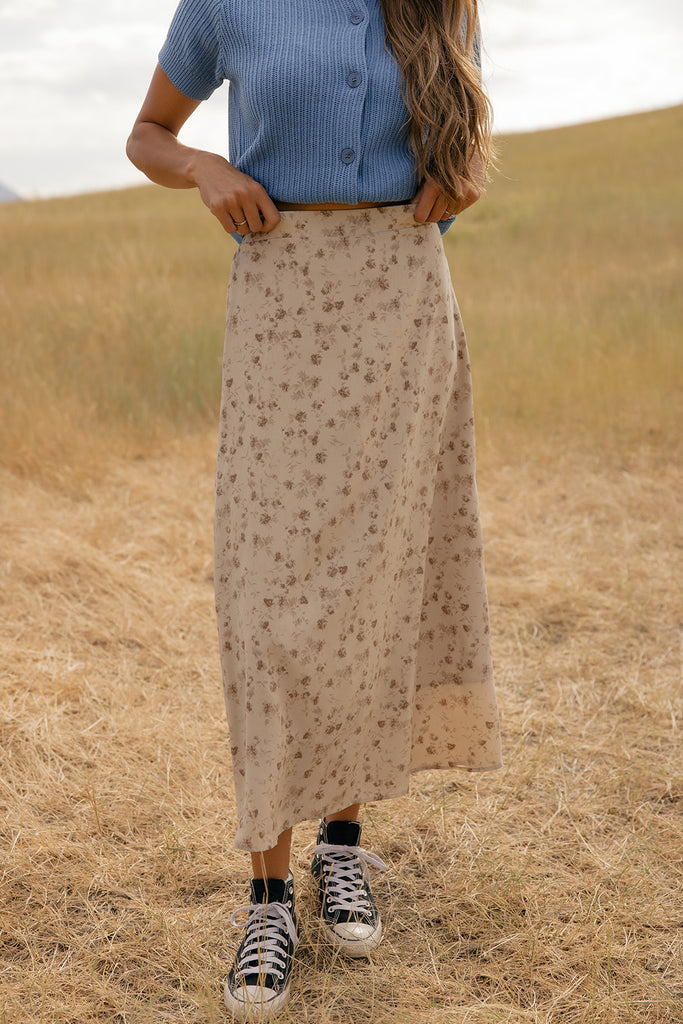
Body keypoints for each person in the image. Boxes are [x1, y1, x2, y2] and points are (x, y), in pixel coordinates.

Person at [127, 0, 502, 1018]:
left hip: (402, 308)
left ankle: (341, 844)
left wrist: (456, 180)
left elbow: (465, 150)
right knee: (267, 602)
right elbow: (146, 134)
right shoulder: (223, 4)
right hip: (281, 300)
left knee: (369, 589)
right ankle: (264, 894)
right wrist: (205, 169)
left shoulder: (442, 4)